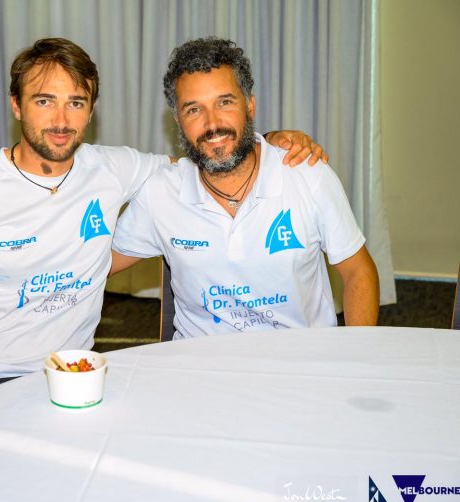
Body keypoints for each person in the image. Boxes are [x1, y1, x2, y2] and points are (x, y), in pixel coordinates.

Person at [0, 37, 327, 417]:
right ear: (16, 105)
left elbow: (207, 157)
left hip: (72, 373)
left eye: (75, 103)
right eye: (45, 101)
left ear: (91, 111)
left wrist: (270, 141)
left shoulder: (114, 168)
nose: (61, 120)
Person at [111, 37, 379, 339]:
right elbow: (93, 266)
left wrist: (357, 356)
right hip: (200, 371)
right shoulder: (161, 193)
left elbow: (359, 273)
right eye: (194, 110)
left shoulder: (307, 175)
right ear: (178, 120)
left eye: (225, 102)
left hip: (302, 367)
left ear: (249, 105)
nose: (212, 124)